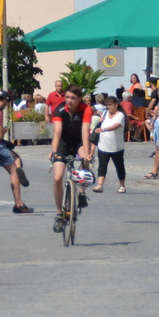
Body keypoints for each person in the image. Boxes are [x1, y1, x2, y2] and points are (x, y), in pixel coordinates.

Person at [49, 89, 94, 232]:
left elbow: (85, 132)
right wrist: (54, 151)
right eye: (67, 97)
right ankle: (58, 213)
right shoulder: (59, 109)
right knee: (57, 178)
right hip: (63, 143)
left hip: (78, 142)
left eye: (73, 98)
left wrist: (87, 154)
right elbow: (57, 132)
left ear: (79, 99)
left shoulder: (85, 109)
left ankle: (81, 192)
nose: (69, 100)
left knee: (85, 159)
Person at [95, 96, 128, 194]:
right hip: (103, 145)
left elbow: (115, 126)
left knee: (119, 166)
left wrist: (103, 129)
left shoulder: (120, 115)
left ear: (116, 104)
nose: (109, 107)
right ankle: (100, 185)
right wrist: (100, 122)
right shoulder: (105, 113)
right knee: (102, 166)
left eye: (111, 105)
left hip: (116, 147)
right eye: (107, 105)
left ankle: (122, 185)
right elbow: (100, 124)